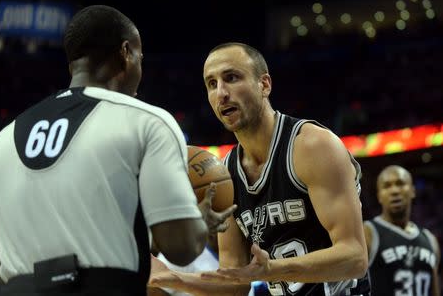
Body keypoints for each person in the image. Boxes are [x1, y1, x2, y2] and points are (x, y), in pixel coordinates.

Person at [0, 5, 235, 296]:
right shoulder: (146, 121)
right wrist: (197, 224)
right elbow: (180, 247)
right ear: (126, 53)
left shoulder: (1, 140)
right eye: (141, 58)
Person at [149, 42, 370, 295]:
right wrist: (173, 279)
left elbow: (354, 258)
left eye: (231, 78)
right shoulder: (224, 175)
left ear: (264, 85)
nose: (221, 93)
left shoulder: (312, 145)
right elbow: (236, 283)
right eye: (211, 84)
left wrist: (270, 270)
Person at [364, 165, 441, 296]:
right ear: (379, 196)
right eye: (387, 186)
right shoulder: (367, 232)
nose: (394, 191)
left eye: (400, 184)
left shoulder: (430, 239)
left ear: (412, 191)